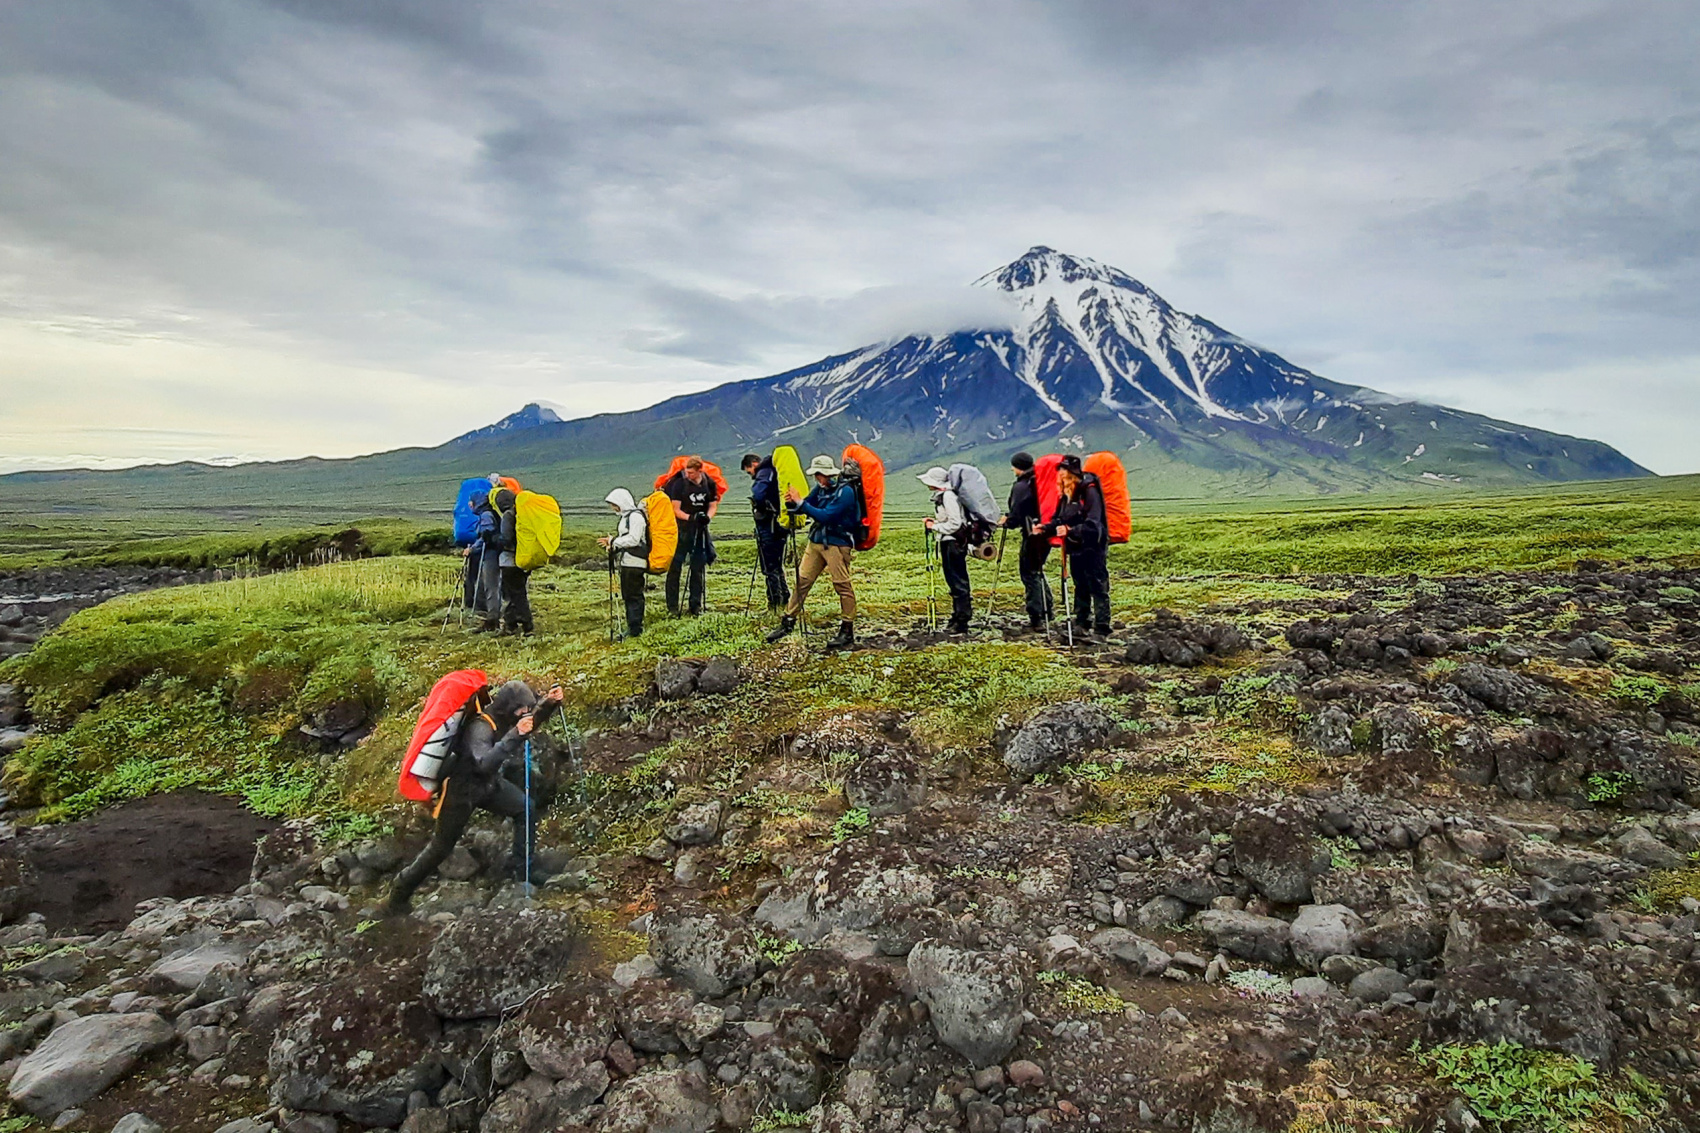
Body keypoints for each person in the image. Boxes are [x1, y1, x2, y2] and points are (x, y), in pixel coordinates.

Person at [386, 680, 565, 914]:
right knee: (441, 847)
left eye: (526, 709)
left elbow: (527, 723)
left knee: (525, 808)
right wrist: (515, 735)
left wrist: (549, 703)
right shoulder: (480, 727)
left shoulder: (506, 717)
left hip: (488, 786)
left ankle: (524, 869)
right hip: (460, 793)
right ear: (508, 707)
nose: (525, 713)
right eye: (521, 709)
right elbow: (484, 763)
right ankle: (400, 890)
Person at [765, 455, 858, 651]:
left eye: (818, 474)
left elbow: (827, 516)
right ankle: (787, 621)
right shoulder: (821, 488)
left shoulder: (846, 492)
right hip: (816, 541)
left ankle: (847, 629)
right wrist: (793, 504)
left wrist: (801, 504)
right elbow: (806, 505)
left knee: (842, 585)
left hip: (836, 544)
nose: (816, 478)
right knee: (802, 581)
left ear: (826, 473)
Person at [1046, 455, 1111, 638]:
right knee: (1080, 583)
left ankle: (1102, 626)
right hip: (1075, 546)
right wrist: (1045, 528)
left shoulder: (1090, 491)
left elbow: (1094, 524)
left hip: (1093, 546)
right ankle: (1082, 621)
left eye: (1064, 474)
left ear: (1073, 474)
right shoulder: (1067, 494)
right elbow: (1060, 518)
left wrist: (1071, 530)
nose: (1061, 477)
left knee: (1097, 584)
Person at [1002, 452, 1053, 632]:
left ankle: (1036, 617)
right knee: (1037, 570)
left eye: (1014, 465)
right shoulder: (1041, 482)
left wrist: (1007, 522)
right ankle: (1047, 610)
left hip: (1032, 534)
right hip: (1047, 531)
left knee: (1029, 573)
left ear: (1019, 467)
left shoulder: (1022, 486)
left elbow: (1017, 512)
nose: (1012, 469)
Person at [663, 456, 720, 616]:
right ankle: (672, 607)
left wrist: (707, 517)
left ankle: (696, 606)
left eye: (692, 473)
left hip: (700, 531)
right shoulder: (679, 484)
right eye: (687, 472)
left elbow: (712, 505)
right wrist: (691, 518)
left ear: (700, 470)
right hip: (680, 530)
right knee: (675, 568)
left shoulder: (709, 483)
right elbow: (675, 509)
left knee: (697, 568)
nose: (688, 475)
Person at [919, 466, 972, 634]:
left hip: (953, 542)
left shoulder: (948, 496)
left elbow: (955, 523)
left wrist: (934, 526)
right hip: (951, 541)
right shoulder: (946, 495)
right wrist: (936, 523)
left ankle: (962, 620)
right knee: (955, 579)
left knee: (957, 580)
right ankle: (958, 616)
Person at [742, 452, 790, 611]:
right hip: (780, 524)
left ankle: (775, 602)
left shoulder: (764, 472)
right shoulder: (774, 471)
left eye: (749, 471)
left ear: (753, 464)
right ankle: (784, 597)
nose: (751, 475)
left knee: (769, 565)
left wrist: (760, 507)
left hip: (769, 525)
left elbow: (758, 493)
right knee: (777, 563)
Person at [600, 488, 649, 639]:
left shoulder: (635, 517)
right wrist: (613, 545)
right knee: (628, 595)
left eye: (614, 504)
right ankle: (632, 626)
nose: (613, 508)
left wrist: (614, 541)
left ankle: (635, 629)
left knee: (633, 595)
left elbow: (634, 539)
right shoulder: (627, 517)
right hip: (628, 562)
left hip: (635, 562)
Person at [492, 487, 534, 635]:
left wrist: (492, 539)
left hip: (509, 560)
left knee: (514, 594)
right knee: (517, 592)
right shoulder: (522, 514)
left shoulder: (508, 515)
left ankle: (526, 625)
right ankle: (512, 624)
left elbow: (506, 539)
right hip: (524, 559)